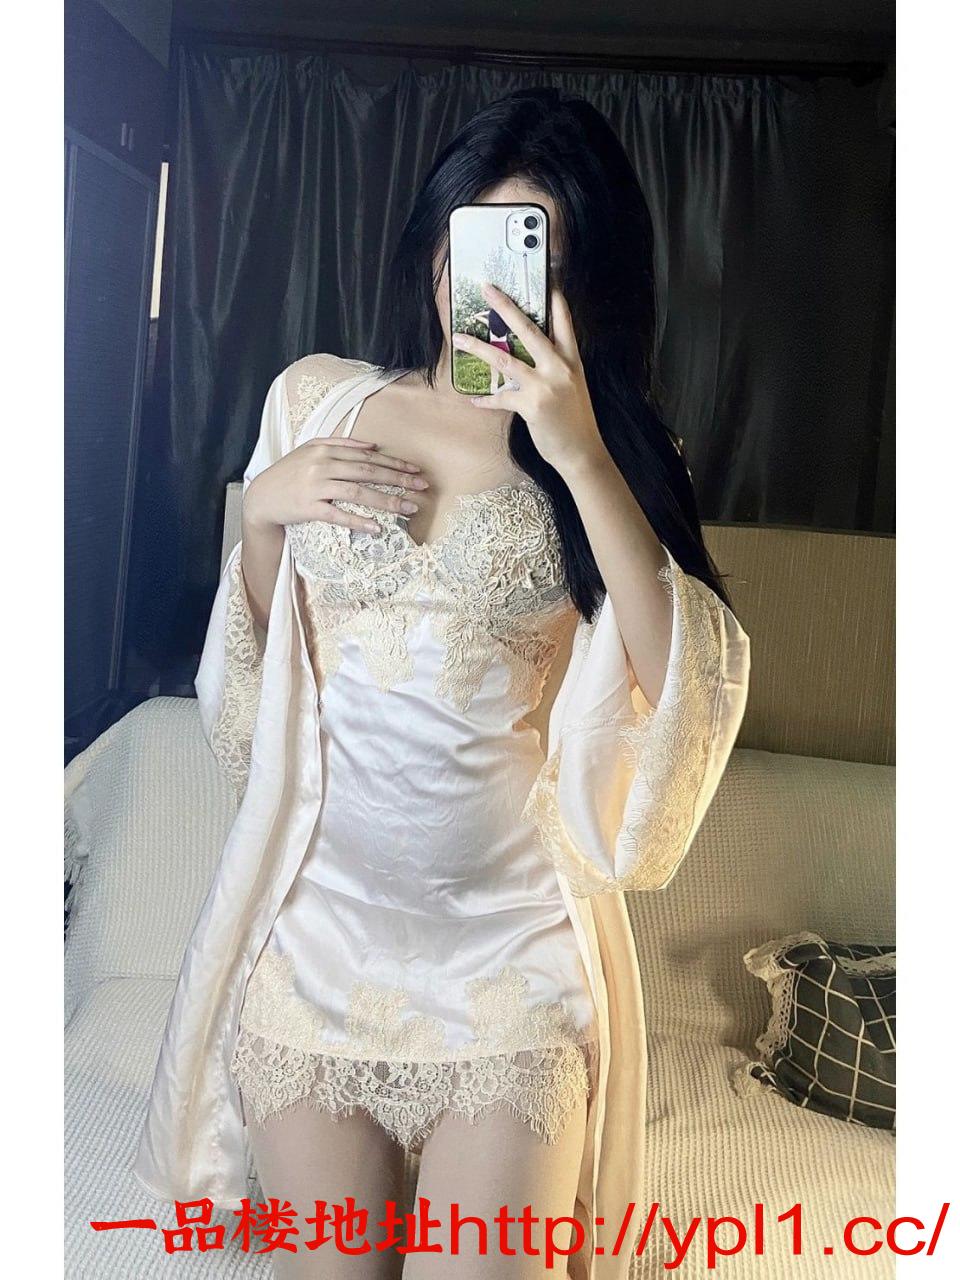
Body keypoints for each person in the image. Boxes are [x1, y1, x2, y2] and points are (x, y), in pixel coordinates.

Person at [133, 88, 751, 1280]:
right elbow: (250, 694)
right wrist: (260, 517)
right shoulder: (315, 398)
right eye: (475, 244)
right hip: (317, 949)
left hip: (509, 968)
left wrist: (576, 446)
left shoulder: (612, 453)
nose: (496, 292)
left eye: (539, 264)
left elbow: (683, 685)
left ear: (588, 282)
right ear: (433, 246)